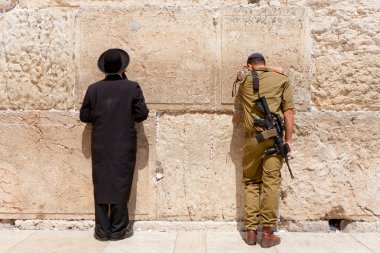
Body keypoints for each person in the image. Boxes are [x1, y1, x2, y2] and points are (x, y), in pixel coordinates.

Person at [79, 48, 149, 241]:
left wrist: (102, 116)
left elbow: (84, 116)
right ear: (122, 68)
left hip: (100, 143)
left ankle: (101, 230)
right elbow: (142, 113)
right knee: (120, 182)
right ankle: (118, 230)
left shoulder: (93, 89)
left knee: (101, 183)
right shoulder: (132, 87)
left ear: (104, 69)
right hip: (124, 143)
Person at [234, 53, 295, 248]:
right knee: (271, 184)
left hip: (253, 140)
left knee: (251, 181)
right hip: (273, 139)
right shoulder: (282, 80)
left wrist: (258, 70)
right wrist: (288, 141)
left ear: (250, 65)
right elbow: (289, 112)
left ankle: (251, 232)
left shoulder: (244, 79)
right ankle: (267, 233)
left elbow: (240, 72)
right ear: (265, 64)